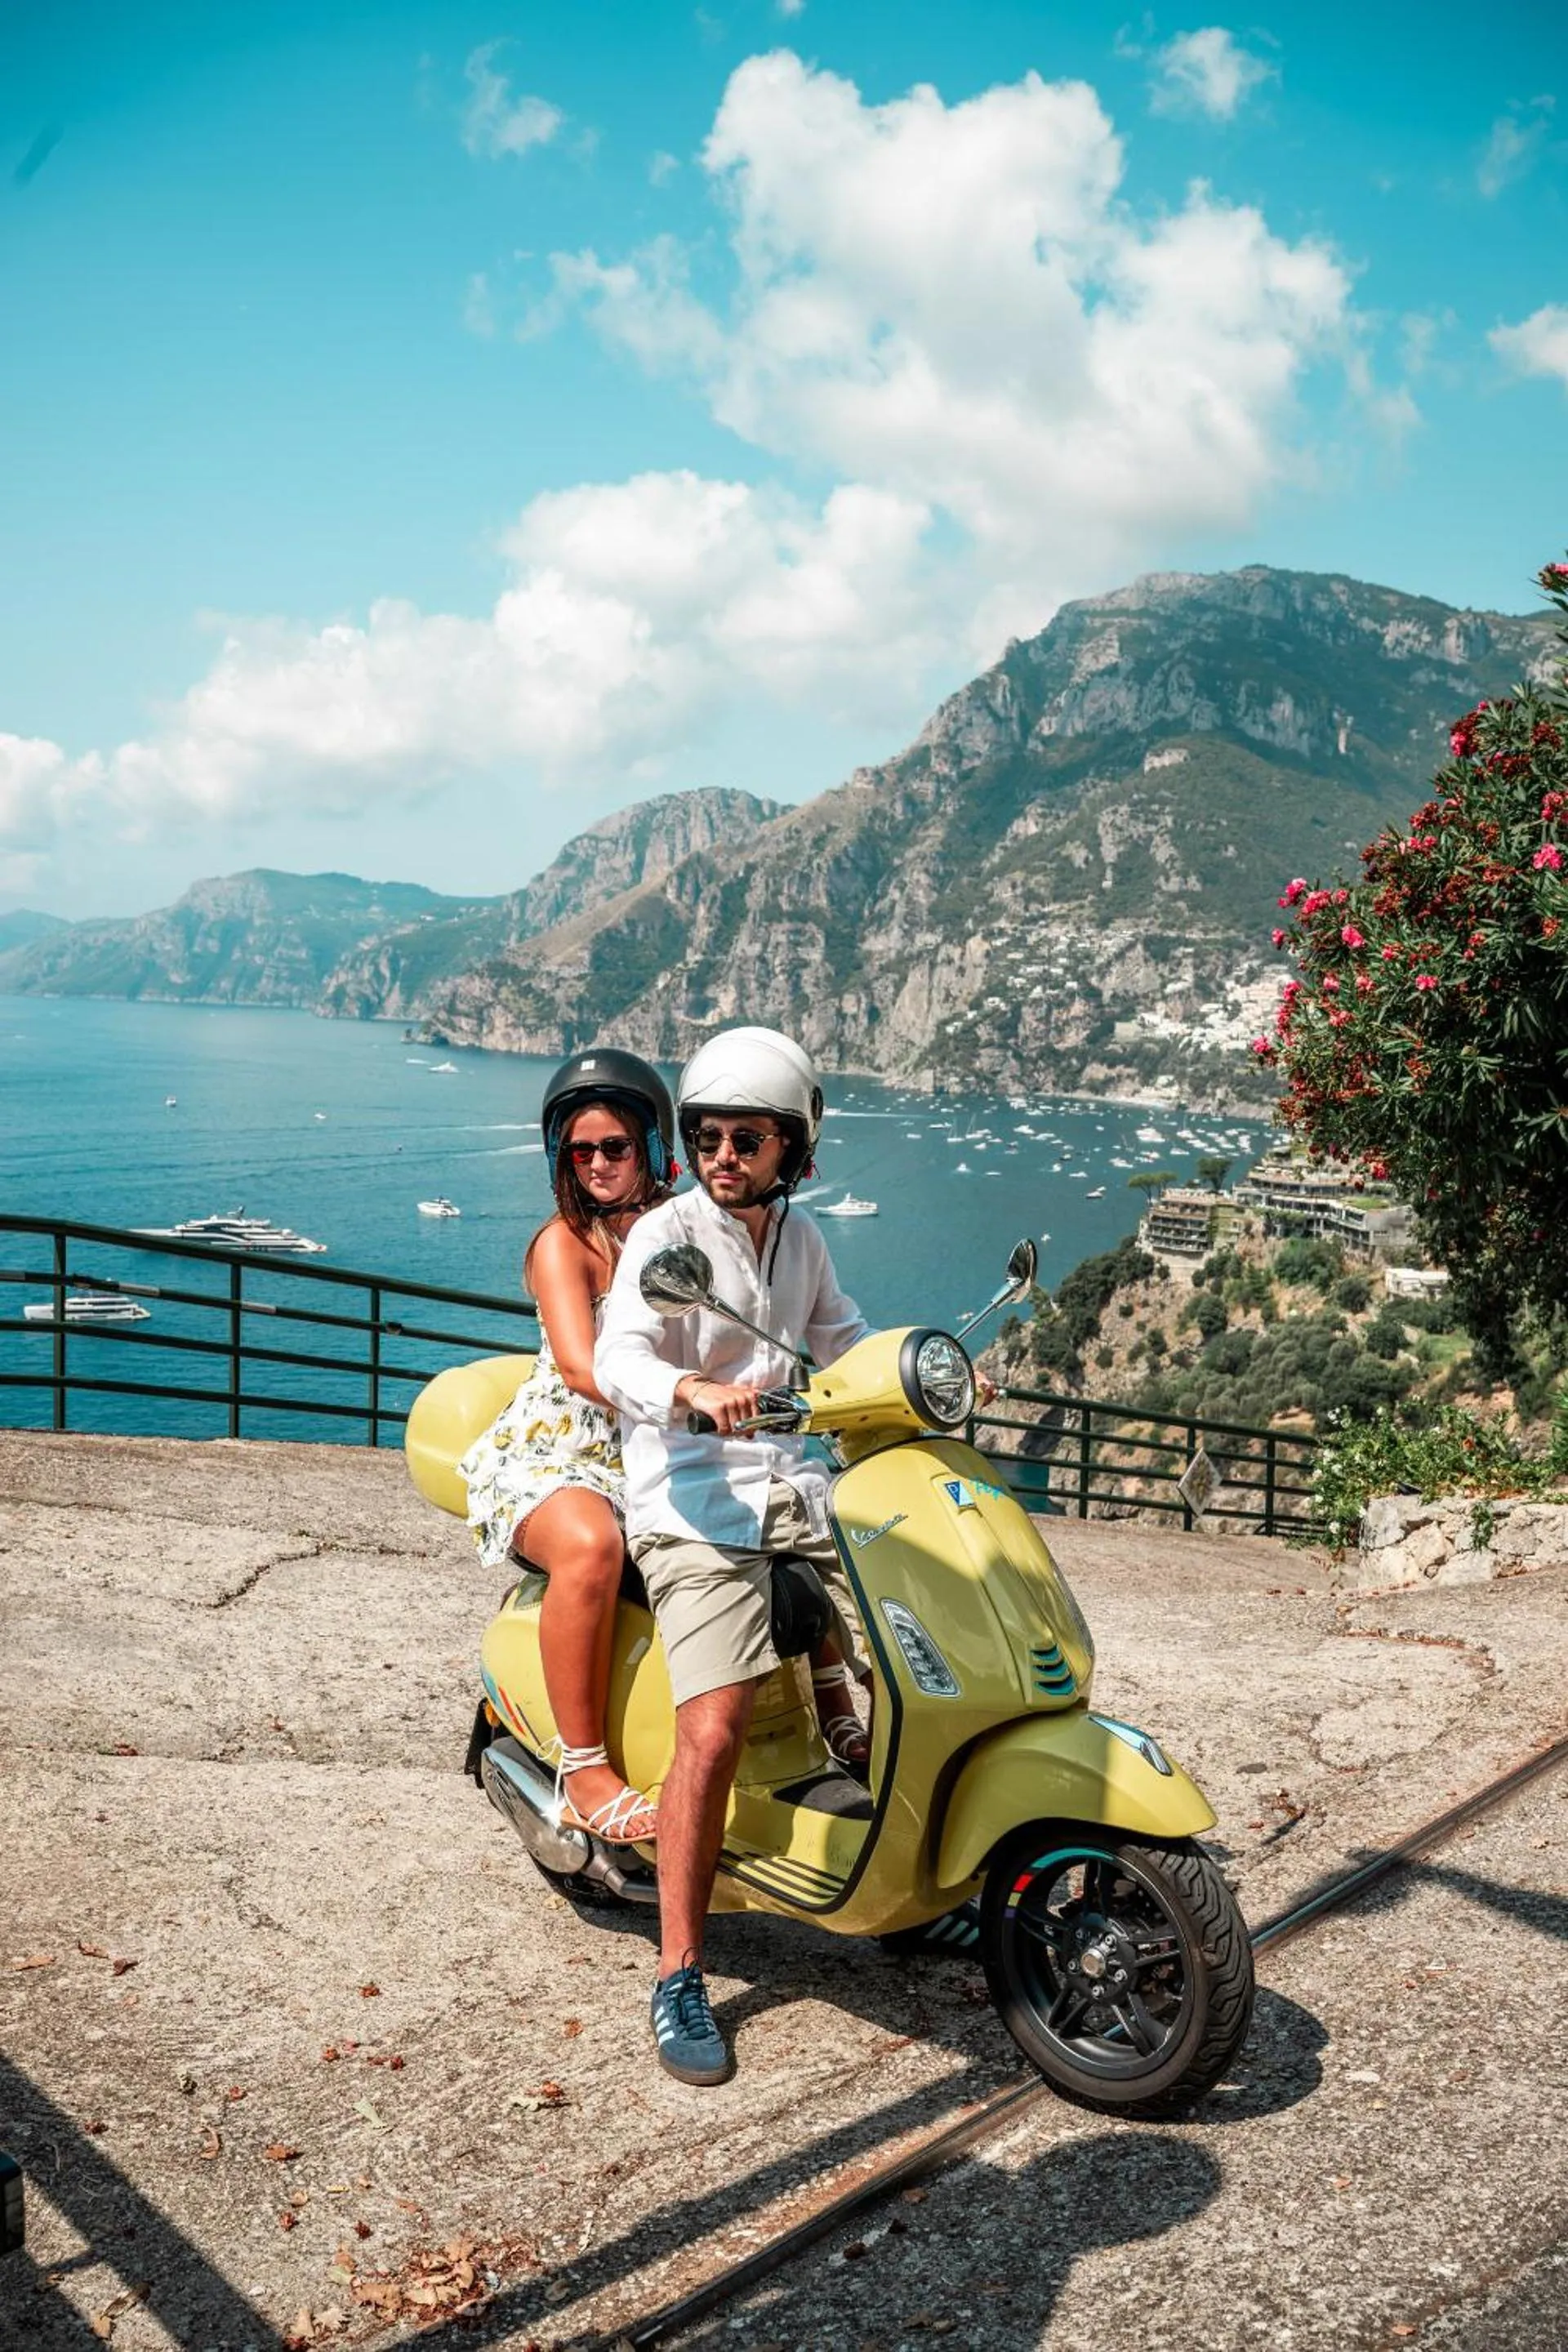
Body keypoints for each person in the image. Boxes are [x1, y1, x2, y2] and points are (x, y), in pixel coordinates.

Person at [595, 1026, 875, 2086]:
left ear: (793, 1148)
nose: (722, 1155)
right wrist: (689, 1391)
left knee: (918, 1623)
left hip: (794, 1492)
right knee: (709, 1732)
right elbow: (621, 1346)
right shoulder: (666, 1237)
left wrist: (926, 1376)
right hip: (695, 1504)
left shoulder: (802, 1243)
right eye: (707, 1135)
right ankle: (679, 1971)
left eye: (746, 1138)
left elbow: (844, 1339)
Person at [459, 1048, 678, 1846]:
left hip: (659, 1445)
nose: (594, 1164)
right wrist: (687, 1396)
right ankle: (584, 1770)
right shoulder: (566, 1243)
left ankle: (833, 1711)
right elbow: (584, 1370)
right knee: (593, 1547)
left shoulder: (681, 1232)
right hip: (563, 1452)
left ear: (653, 1147)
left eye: (613, 1147)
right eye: (579, 1150)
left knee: (791, 1508)